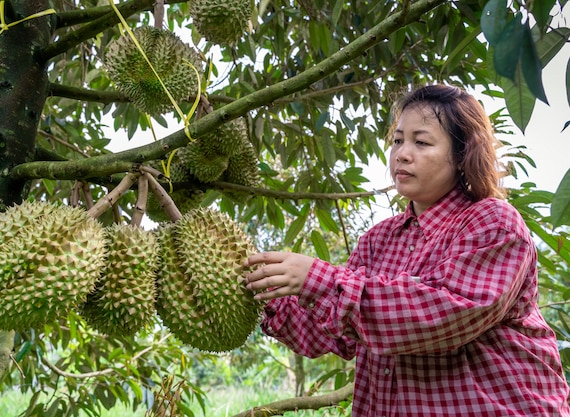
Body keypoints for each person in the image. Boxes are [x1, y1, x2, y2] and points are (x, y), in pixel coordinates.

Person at [244, 84, 570, 416]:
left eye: (421, 141)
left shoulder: (493, 222)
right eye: (398, 140)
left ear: (461, 154)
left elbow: (443, 316)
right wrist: (260, 289)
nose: (401, 153)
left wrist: (319, 279)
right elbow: (334, 334)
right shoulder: (378, 240)